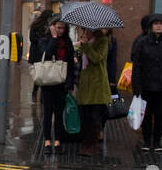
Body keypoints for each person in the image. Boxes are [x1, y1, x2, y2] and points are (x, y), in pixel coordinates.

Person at [130, 13, 162, 151]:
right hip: (146, 86)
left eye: (161, 23)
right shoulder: (142, 42)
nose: (158, 26)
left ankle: (157, 141)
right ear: (151, 26)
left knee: (160, 114)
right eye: (156, 23)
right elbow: (137, 66)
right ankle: (147, 141)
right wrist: (136, 86)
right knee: (146, 114)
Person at [30, 19, 75, 150]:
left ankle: (58, 140)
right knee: (48, 113)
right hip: (48, 83)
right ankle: (47, 140)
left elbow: (70, 65)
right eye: (58, 28)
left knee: (59, 114)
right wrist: (54, 38)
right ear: (52, 27)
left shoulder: (68, 42)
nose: (61, 30)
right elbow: (47, 54)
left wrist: (70, 84)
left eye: (63, 28)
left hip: (62, 83)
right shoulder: (44, 40)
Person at [75, 27, 111, 156]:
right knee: (84, 117)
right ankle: (85, 144)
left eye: (89, 29)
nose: (86, 31)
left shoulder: (103, 41)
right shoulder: (85, 40)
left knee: (95, 118)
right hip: (85, 84)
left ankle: (92, 146)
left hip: (97, 85)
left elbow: (97, 58)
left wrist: (85, 46)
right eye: (85, 29)